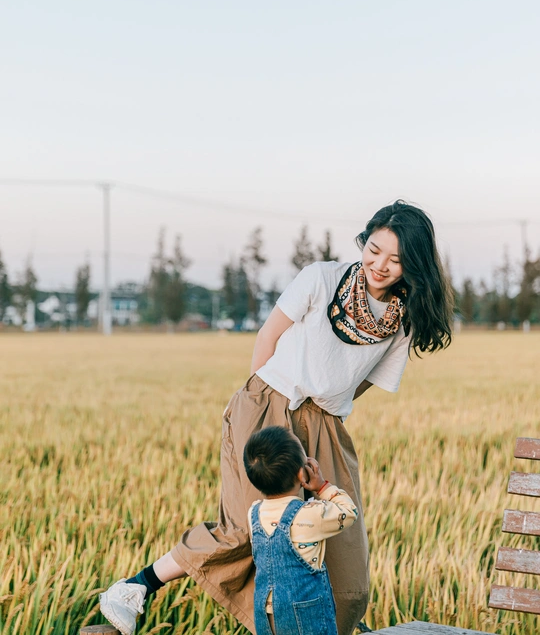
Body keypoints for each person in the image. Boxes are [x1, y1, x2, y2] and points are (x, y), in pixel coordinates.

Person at [99, 200, 454, 635]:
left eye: (395, 260)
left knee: (345, 558)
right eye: (374, 249)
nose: (379, 264)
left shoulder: (403, 321)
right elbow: (268, 336)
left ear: (414, 265)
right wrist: (259, 408)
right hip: (268, 402)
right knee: (246, 530)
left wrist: (327, 409)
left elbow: (362, 381)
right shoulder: (322, 279)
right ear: (364, 242)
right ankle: (135, 587)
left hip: (325, 422)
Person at [244, 425, 358, 635]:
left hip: (265, 615)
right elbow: (349, 512)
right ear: (301, 473)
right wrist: (321, 486)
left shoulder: (253, 514)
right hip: (305, 615)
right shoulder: (309, 513)